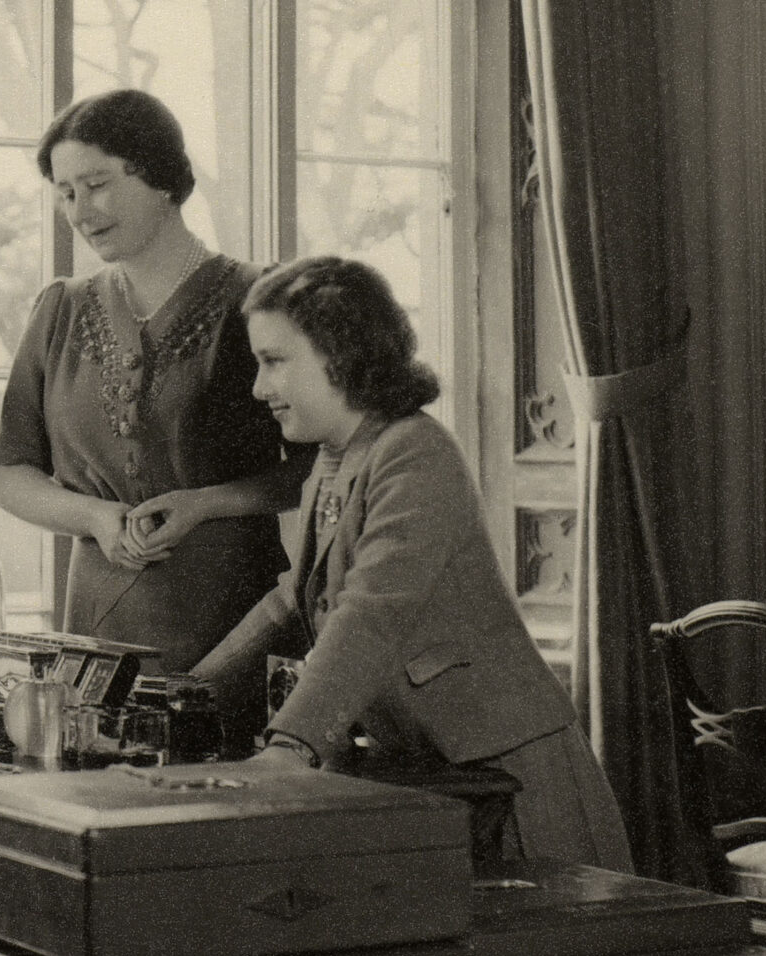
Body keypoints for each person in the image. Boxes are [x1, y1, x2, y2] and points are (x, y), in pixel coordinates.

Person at [195, 252, 630, 869]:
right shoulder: (334, 458)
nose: (259, 388)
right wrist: (182, 692)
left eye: (273, 362)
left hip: (510, 776)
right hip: (445, 769)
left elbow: (371, 614)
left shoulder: (417, 453)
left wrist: (290, 746)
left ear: (339, 354)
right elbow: (291, 603)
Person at [0, 91, 307, 718]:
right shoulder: (59, 308)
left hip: (235, 612)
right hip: (97, 622)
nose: (80, 211)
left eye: (97, 184)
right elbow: (11, 473)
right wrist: (96, 518)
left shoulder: (258, 300)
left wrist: (204, 505)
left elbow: (310, 468)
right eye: (65, 193)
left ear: (161, 176)